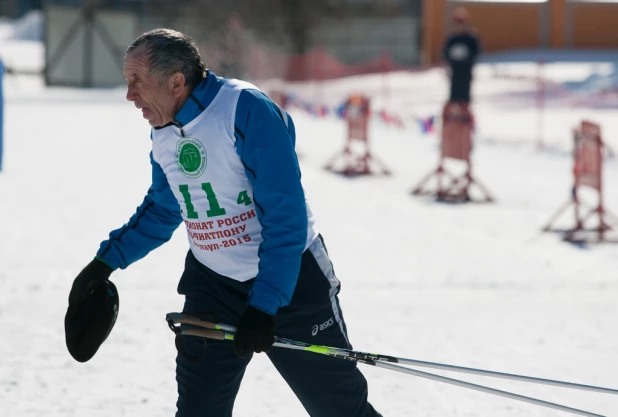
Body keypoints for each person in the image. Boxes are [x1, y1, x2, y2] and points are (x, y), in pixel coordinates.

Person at [64, 28, 382, 417]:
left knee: (340, 411)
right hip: (213, 285)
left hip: (292, 284)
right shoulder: (164, 131)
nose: (129, 95)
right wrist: (104, 264)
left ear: (176, 82)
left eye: (137, 82)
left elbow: (286, 219)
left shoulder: (246, 110)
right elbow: (166, 208)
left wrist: (264, 306)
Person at [442, 7, 482, 103]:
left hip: (466, 71)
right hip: (455, 71)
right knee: (454, 96)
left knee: (465, 96)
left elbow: (476, 52)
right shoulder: (452, 38)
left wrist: (466, 57)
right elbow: (445, 52)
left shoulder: (471, 38)